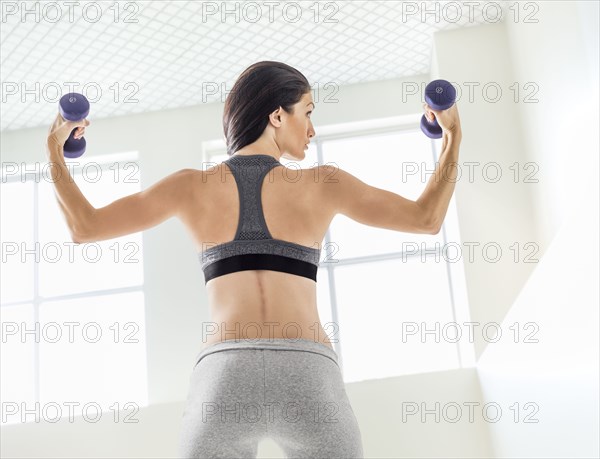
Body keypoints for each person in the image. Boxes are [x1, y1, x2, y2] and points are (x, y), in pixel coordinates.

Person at [46, 61, 461, 458]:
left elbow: (86, 226)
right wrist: (452, 136)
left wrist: (54, 147)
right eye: (307, 112)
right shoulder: (323, 183)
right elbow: (427, 219)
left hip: (225, 373)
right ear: (277, 116)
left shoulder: (190, 186)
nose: (312, 129)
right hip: (306, 371)